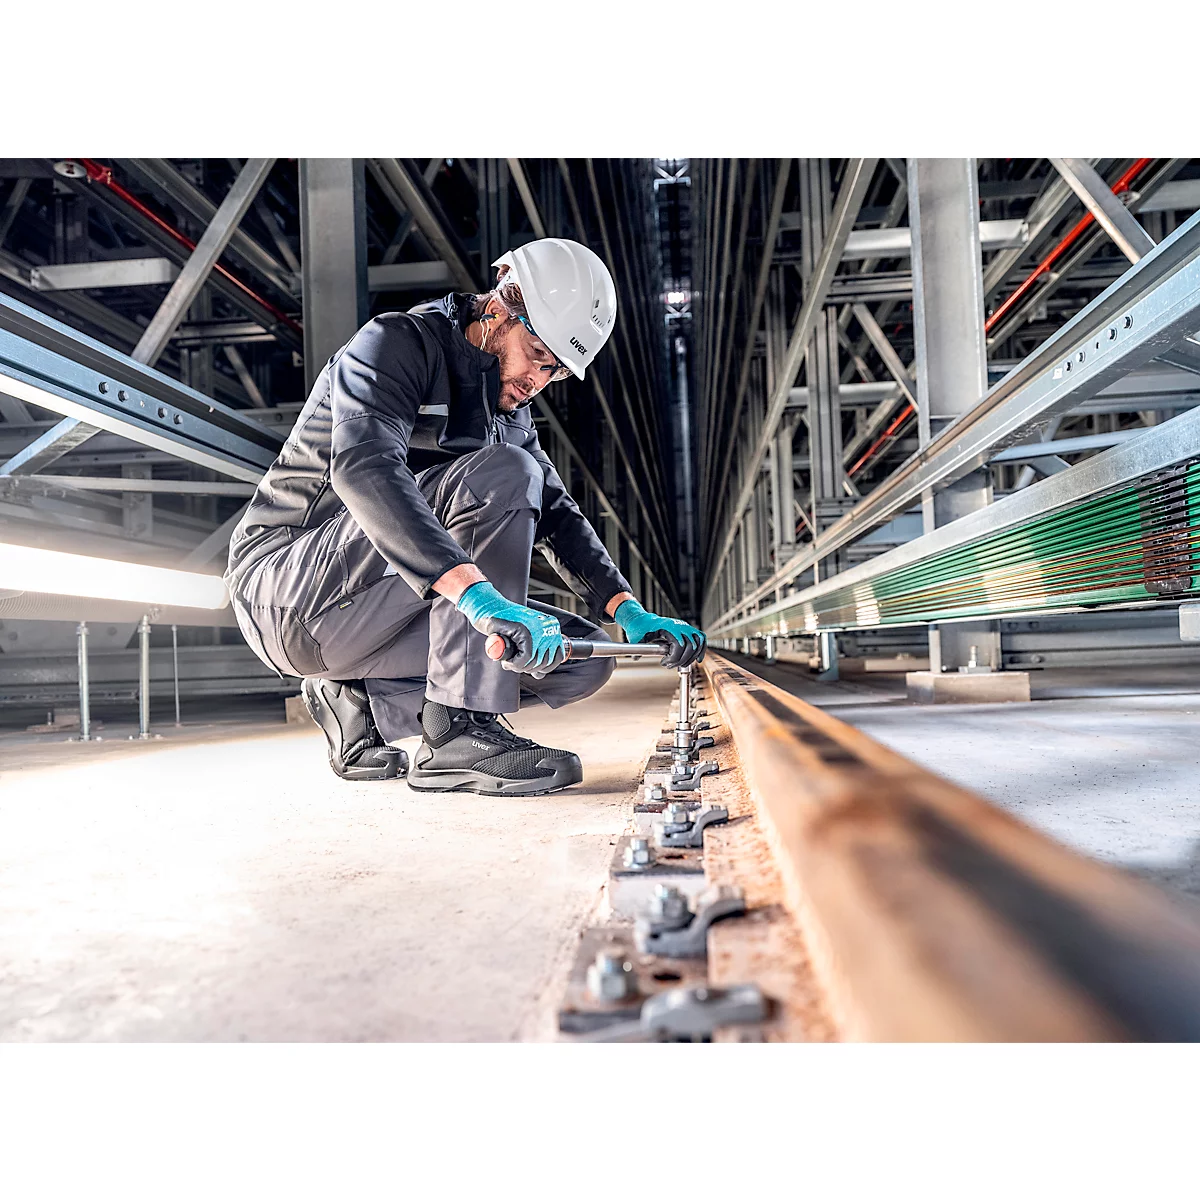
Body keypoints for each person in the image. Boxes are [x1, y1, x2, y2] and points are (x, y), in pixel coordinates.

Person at [224, 237, 705, 796]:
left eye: (555, 373)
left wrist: (631, 611)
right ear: (501, 307)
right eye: (538, 356)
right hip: (284, 593)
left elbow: (557, 515)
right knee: (505, 471)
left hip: (366, 617)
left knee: (578, 656)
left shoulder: (506, 411)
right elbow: (365, 469)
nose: (538, 382)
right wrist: (478, 598)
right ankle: (457, 730)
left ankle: (361, 703)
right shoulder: (396, 344)